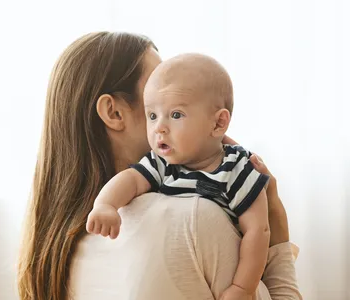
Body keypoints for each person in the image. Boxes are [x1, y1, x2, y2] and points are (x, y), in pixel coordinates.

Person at [17, 31, 302, 300]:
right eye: (154, 93)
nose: (170, 89)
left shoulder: (56, 246)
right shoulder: (195, 218)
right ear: (114, 112)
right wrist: (277, 227)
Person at [86, 53, 270, 299]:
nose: (159, 127)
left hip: (240, 274)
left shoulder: (236, 168)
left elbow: (258, 231)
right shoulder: (163, 163)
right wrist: (106, 204)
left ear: (218, 124)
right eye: (152, 115)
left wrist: (242, 287)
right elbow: (130, 180)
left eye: (175, 115)